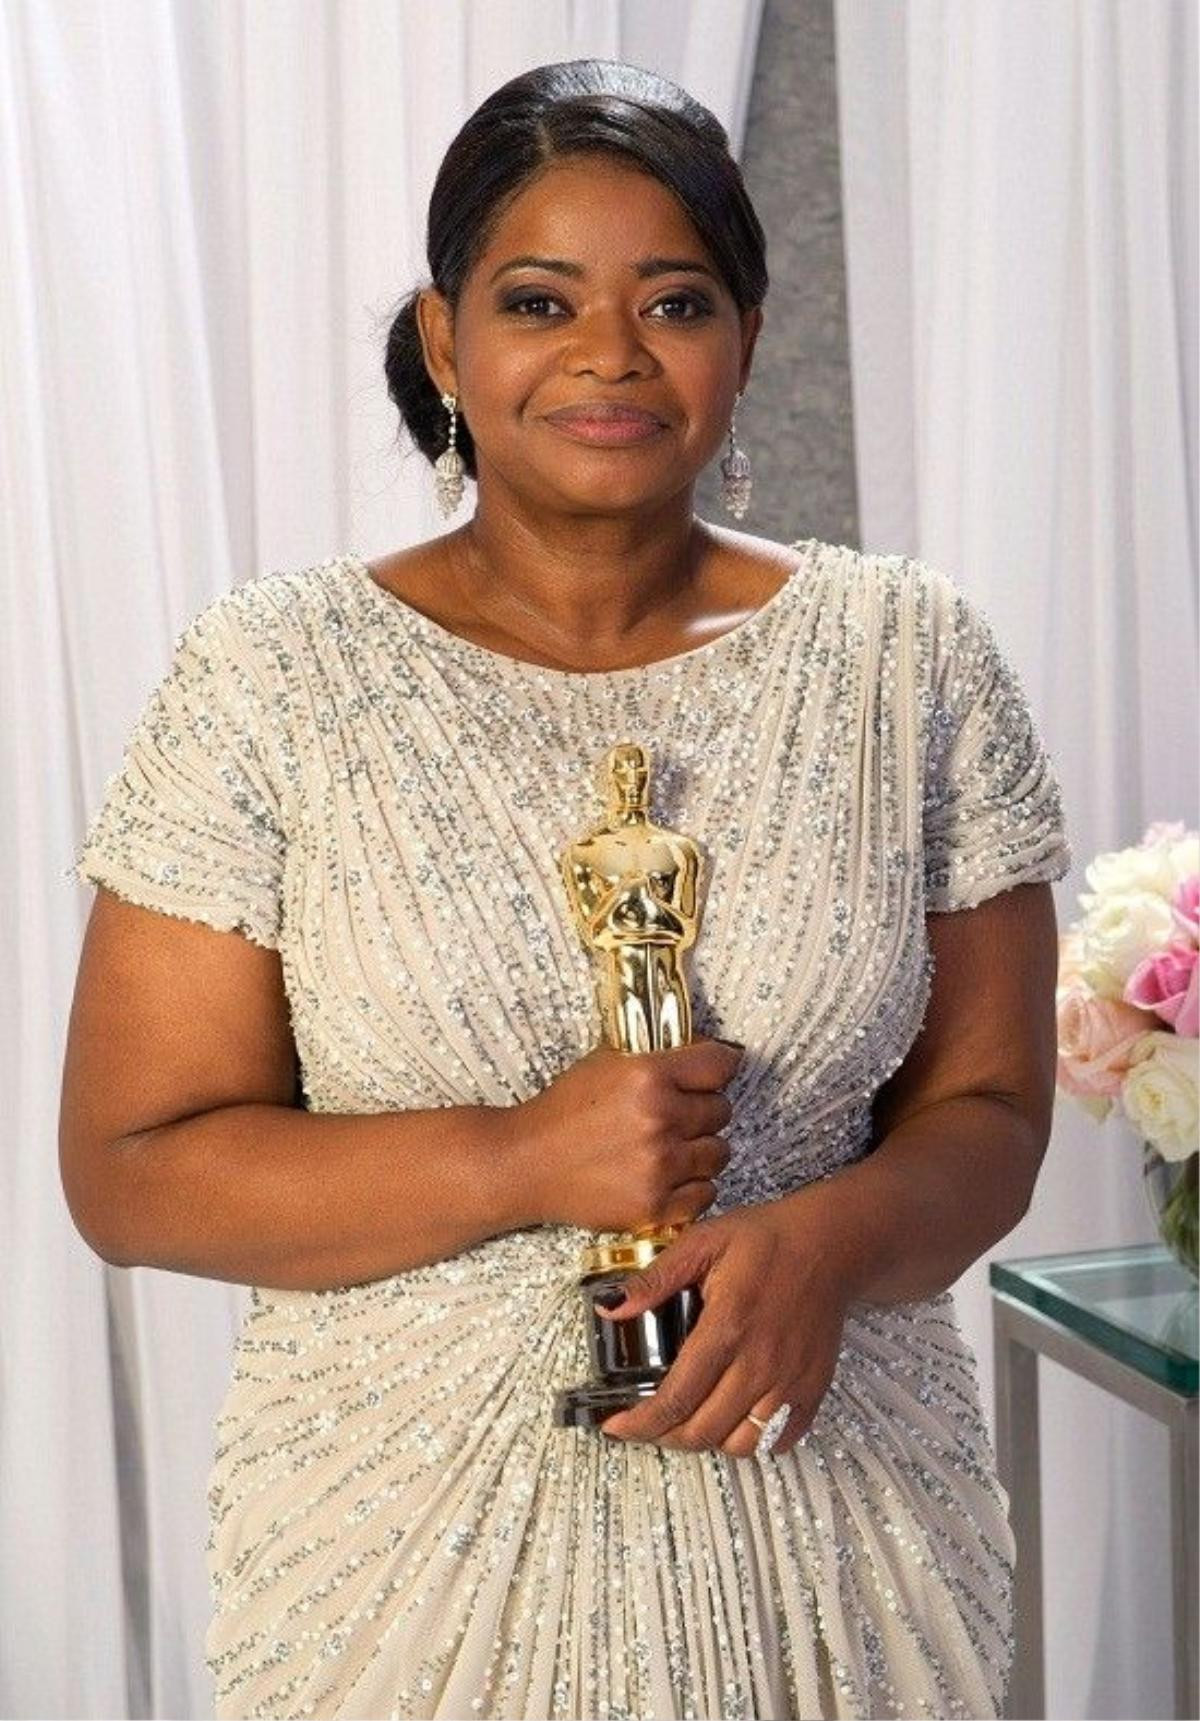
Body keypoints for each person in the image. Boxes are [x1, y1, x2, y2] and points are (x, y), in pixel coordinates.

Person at [60, 57, 1072, 1721]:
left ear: (745, 338)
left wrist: (829, 1240)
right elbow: (134, 1168)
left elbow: (991, 1107)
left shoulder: (910, 660)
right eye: (542, 300)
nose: (611, 353)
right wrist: (521, 1153)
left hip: (841, 1526)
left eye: (675, 300)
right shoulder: (272, 676)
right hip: (396, 1557)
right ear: (448, 340)